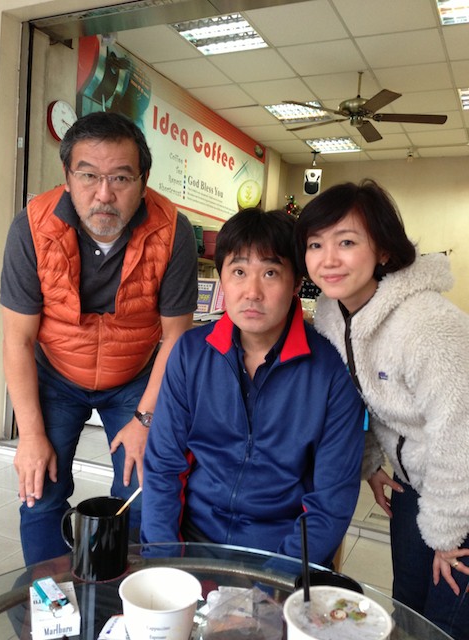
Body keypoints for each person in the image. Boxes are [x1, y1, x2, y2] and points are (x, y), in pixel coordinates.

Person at [0, 111, 198, 565]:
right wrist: (30, 435)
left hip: (134, 377)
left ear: (143, 182)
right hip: (55, 374)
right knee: (39, 490)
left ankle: (125, 596)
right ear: (67, 177)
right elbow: (17, 340)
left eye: (121, 178)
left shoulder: (173, 231)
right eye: (88, 175)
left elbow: (176, 338)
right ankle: (51, 600)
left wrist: (145, 421)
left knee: (144, 490)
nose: (104, 194)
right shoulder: (31, 228)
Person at [141, 207, 365, 566]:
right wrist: (165, 563)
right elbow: (163, 466)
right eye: (239, 272)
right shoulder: (190, 354)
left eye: (271, 273)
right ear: (222, 278)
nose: (252, 292)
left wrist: (274, 582)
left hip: (279, 552)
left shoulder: (332, 373)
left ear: (296, 282)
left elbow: (331, 502)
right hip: (193, 543)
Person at [295, 178, 469, 639]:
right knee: (406, 611)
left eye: (347, 242)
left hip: (460, 493)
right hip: (416, 487)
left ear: (384, 251)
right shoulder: (335, 316)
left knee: (443, 627)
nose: (328, 259)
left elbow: (461, 434)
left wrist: (447, 534)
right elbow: (365, 395)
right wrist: (373, 462)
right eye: (315, 244)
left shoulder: (428, 324)